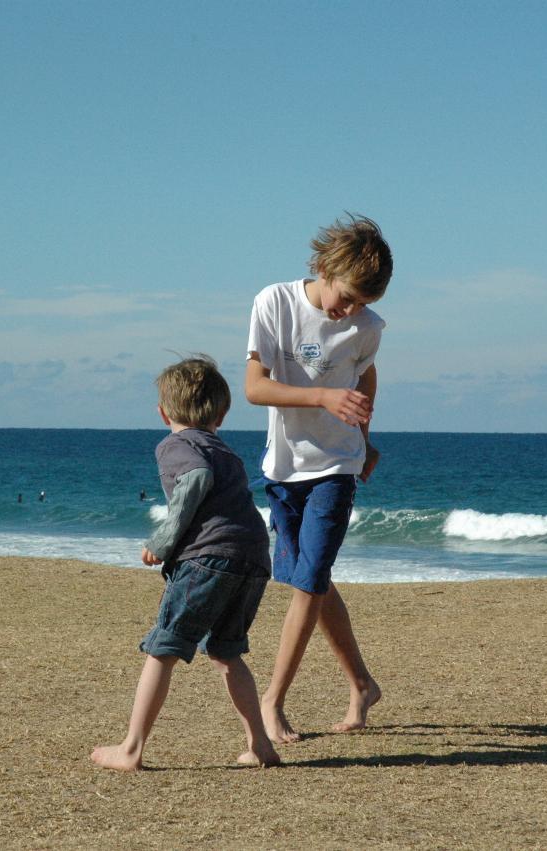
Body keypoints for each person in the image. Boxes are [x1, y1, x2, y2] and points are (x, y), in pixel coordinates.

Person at [91, 356, 281, 771]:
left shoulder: (177, 445)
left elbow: (194, 481)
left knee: (163, 648)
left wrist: (162, 541)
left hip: (209, 558)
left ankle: (131, 749)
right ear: (223, 413)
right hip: (252, 557)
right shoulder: (225, 452)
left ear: (163, 412)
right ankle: (261, 746)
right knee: (227, 652)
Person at [245, 213, 391, 743]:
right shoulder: (273, 303)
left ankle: (271, 702)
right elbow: (256, 389)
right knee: (313, 579)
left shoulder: (367, 328)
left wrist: (365, 439)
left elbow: (364, 376)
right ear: (325, 266)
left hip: (337, 466)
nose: (350, 312)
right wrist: (324, 396)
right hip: (284, 468)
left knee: (307, 584)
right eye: (347, 298)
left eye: (362, 305)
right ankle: (362, 684)